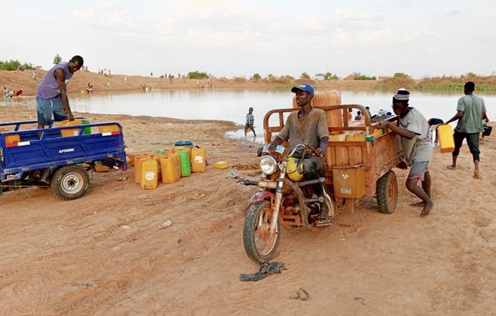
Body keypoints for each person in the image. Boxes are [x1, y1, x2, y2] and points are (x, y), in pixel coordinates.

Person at [259, 83, 331, 226]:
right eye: (296, 94)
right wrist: (270, 147)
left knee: (309, 167)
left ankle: (323, 203)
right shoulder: (292, 117)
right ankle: (267, 203)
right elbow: (281, 136)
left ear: (310, 96)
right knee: (272, 168)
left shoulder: (319, 114)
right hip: (293, 155)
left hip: (311, 155)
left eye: (301, 94)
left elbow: (324, 137)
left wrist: (322, 148)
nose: (298, 97)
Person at [377, 88, 433, 216]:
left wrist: (389, 125)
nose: (397, 110)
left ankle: (428, 201)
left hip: (422, 148)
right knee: (424, 172)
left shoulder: (412, 116)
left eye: (400, 108)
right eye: (395, 107)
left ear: (406, 106)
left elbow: (409, 134)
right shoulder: (402, 114)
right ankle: (426, 198)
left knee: (411, 184)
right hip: (415, 149)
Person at [445, 81, 487, 179]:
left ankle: (454, 165)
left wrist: (448, 121)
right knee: (475, 149)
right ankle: (476, 169)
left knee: (456, 146)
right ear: (473, 89)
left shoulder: (462, 99)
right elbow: (483, 114)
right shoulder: (480, 100)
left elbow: (460, 114)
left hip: (462, 128)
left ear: (465, 89)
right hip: (475, 128)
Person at [36, 55, 84, 129]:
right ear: (70, 61)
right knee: (43, 121)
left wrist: (65, 108)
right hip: (44, 94)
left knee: (63, 116)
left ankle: (64, 137)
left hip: (56, 95)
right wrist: (69, 112)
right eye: (74, 66)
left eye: (77, 68)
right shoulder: (60, 71)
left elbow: (62, 88)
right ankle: (40, 140)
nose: (74, 69)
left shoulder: (71, 70)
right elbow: (63, 91)